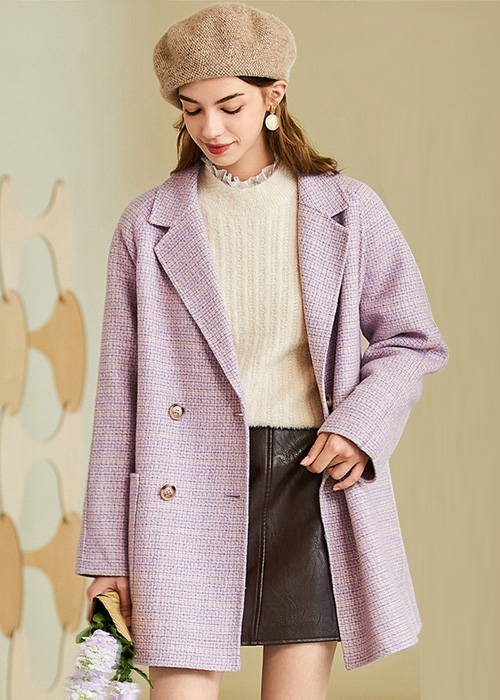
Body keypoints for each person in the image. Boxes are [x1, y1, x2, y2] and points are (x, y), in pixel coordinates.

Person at [74, 3, 449, 699]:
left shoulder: (347, 210)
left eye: (230, 106)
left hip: (310, 481)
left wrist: (361, 427)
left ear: (274, 95)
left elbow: (411, 338)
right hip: (181, 484)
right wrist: (106, 551)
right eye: (192, 110)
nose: (211, 129)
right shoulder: (147, 225)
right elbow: (119, 396)